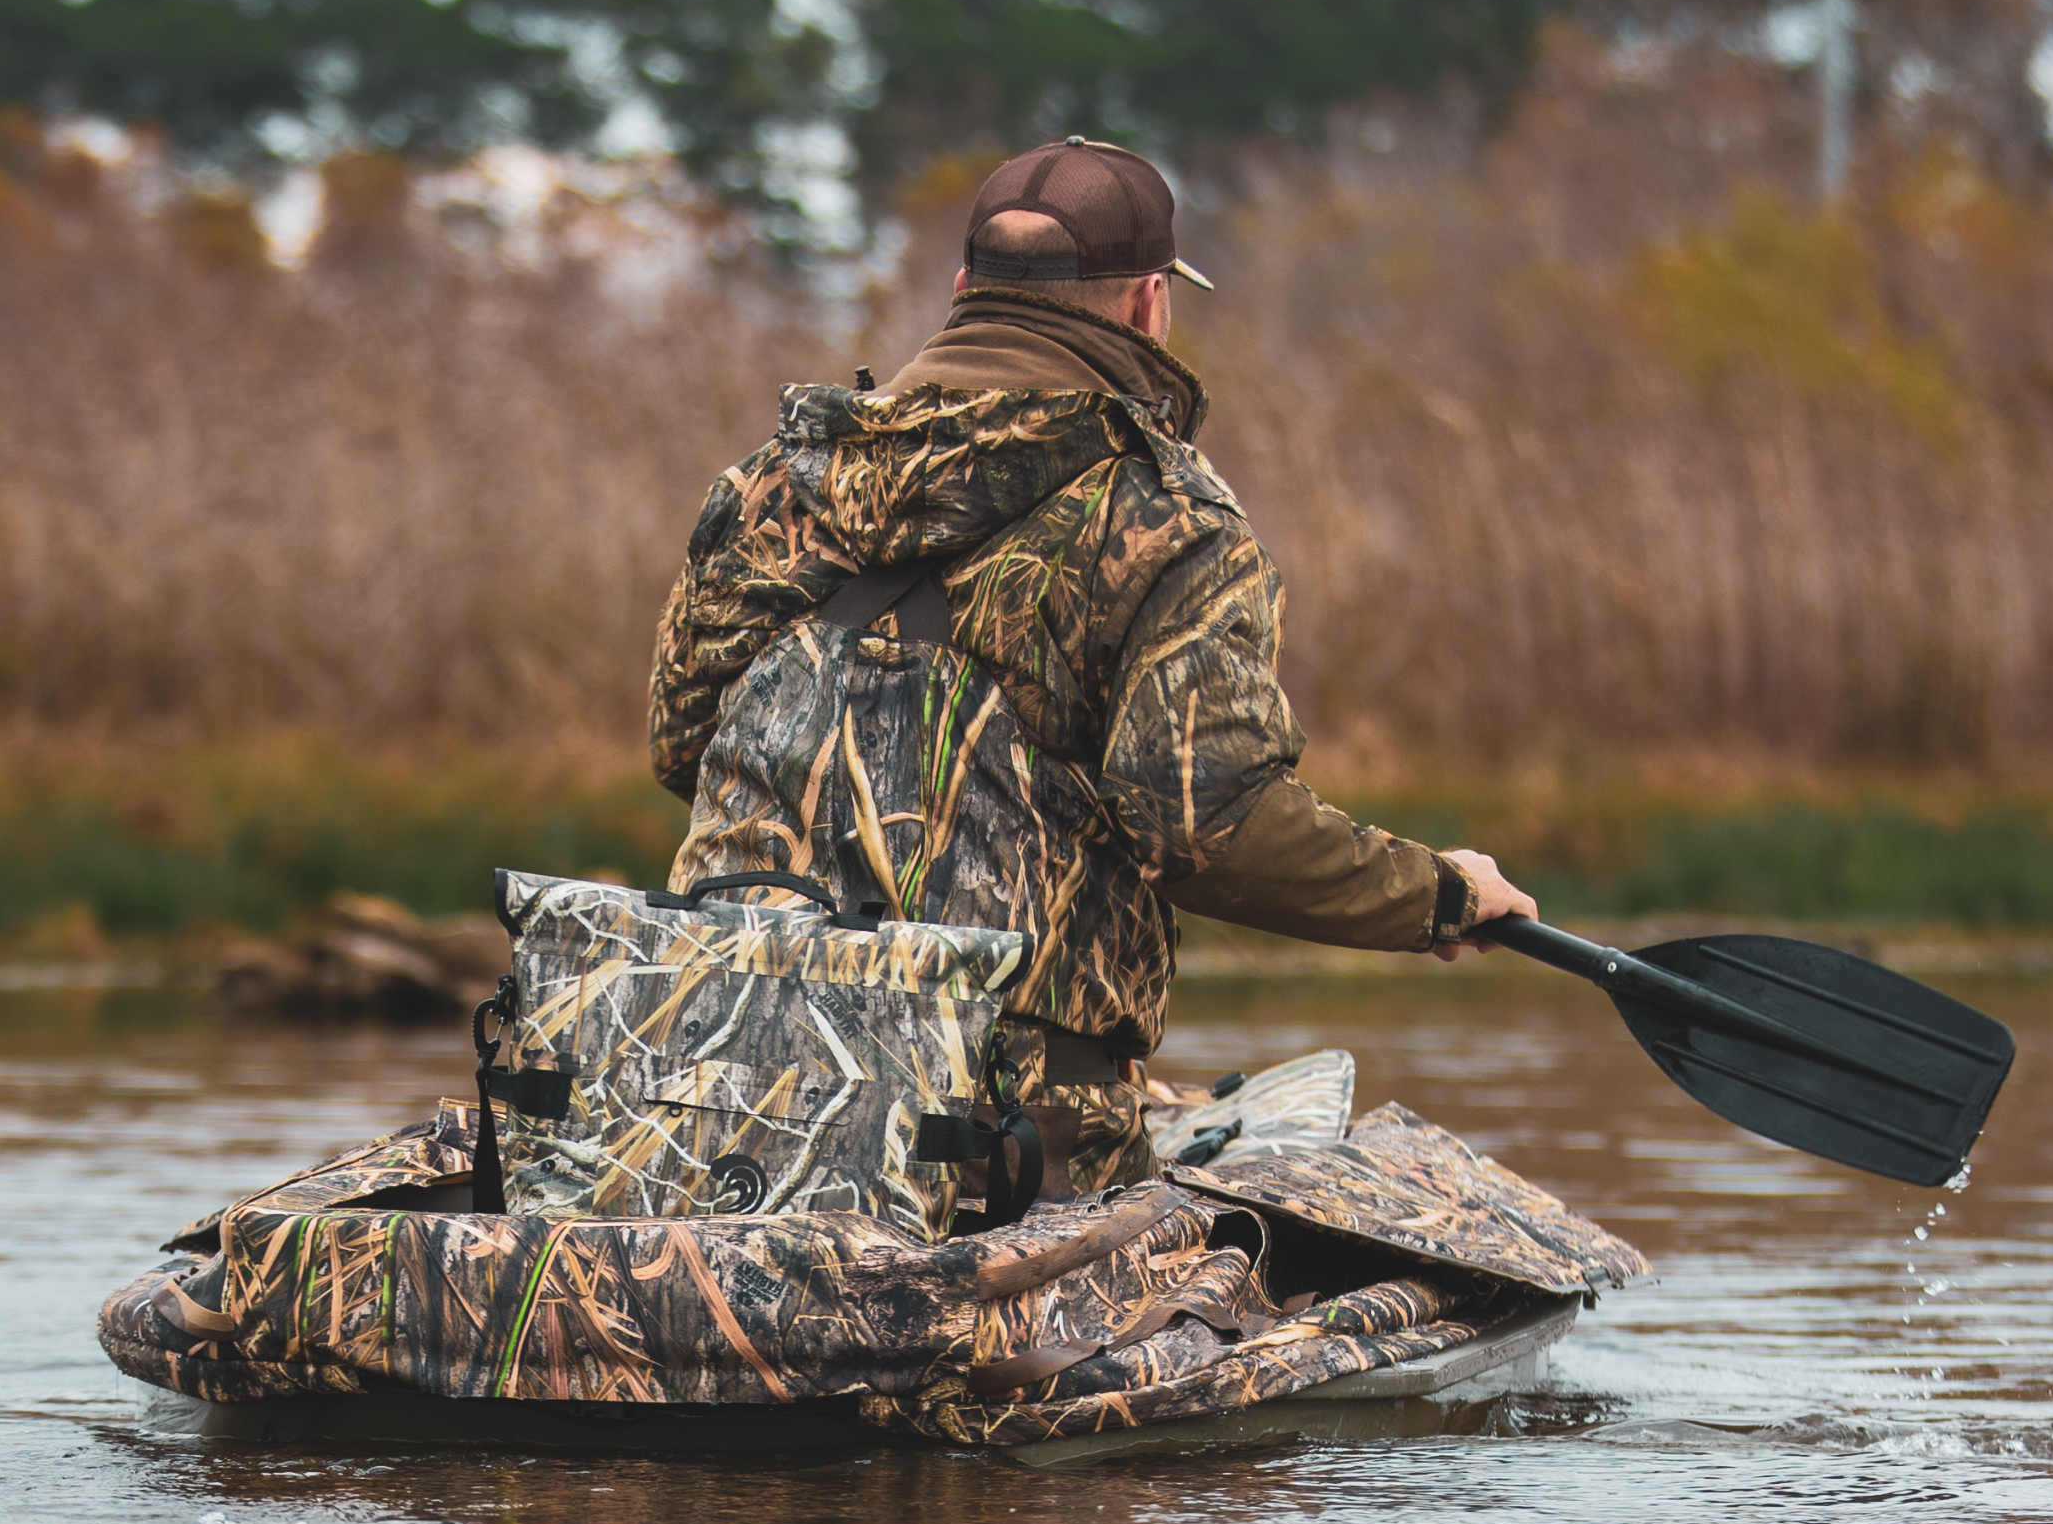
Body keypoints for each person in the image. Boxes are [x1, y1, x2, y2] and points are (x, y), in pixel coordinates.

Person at [648, 136, 1535, 1197]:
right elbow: (1206, 827)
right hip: (994, 1137)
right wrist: (1437, 893)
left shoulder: (764, 487)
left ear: (965, 288)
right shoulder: (1166, 520)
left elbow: (684, 747)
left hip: (709, 1093)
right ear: (1149, 306)